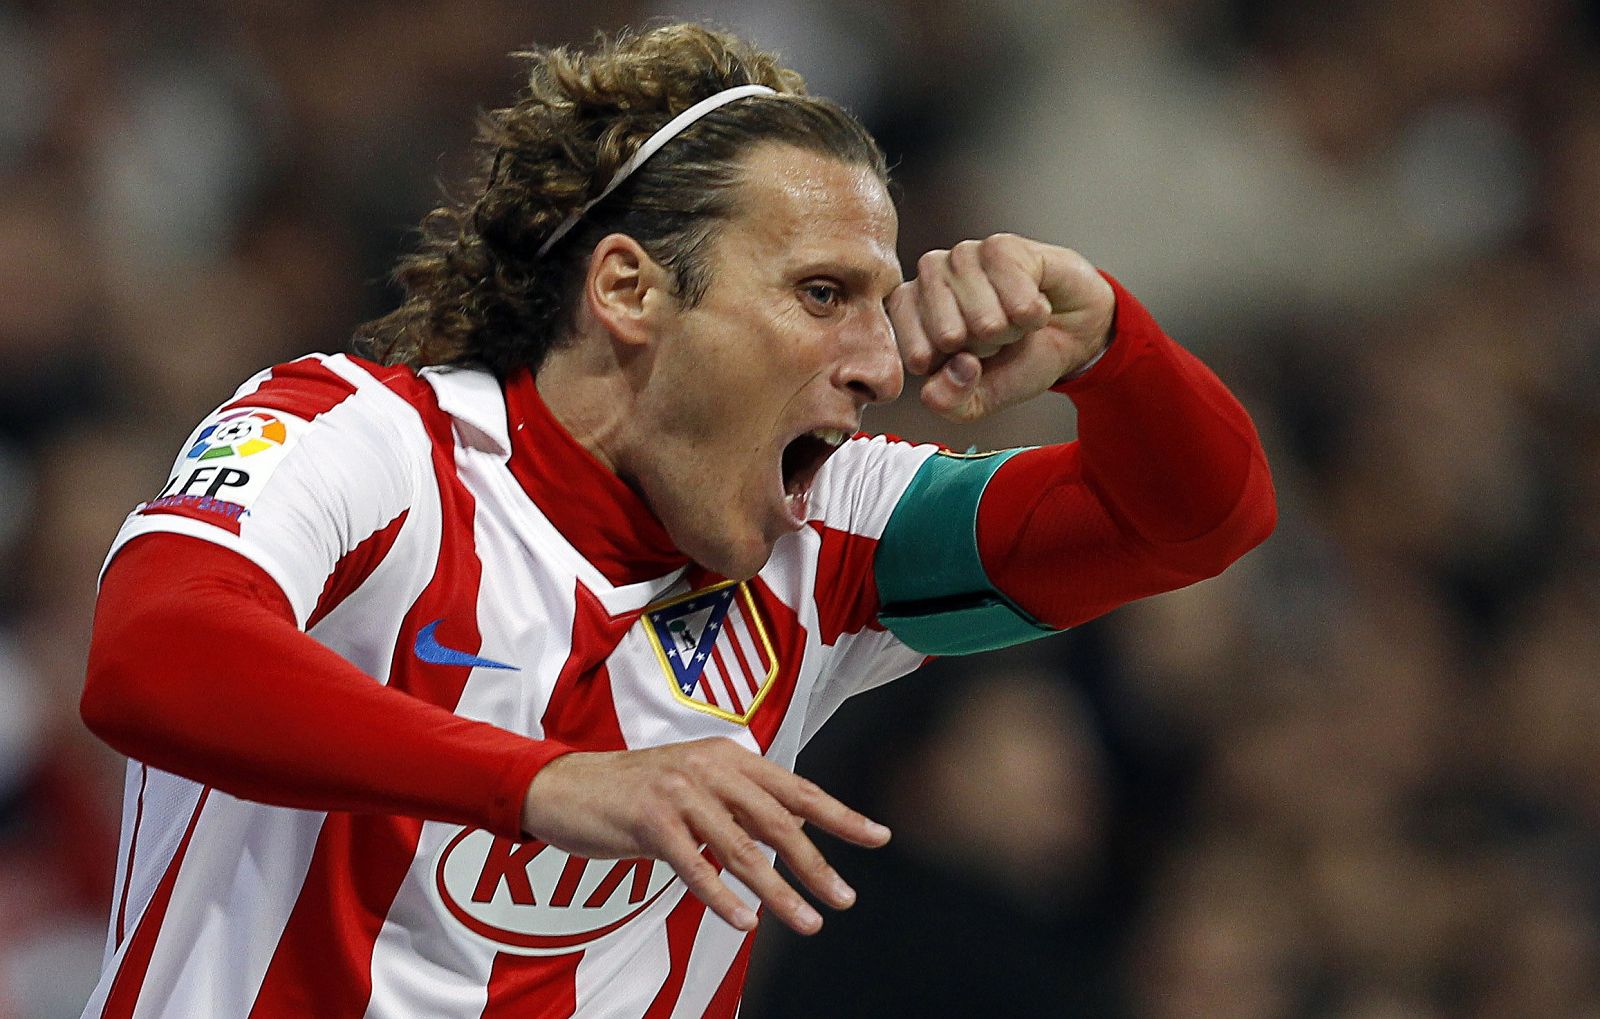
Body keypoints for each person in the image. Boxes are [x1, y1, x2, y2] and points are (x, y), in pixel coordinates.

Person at [76, 23, 1275, 1019]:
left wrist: (1113, 345)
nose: (879, 360)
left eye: (882, 302)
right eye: (822, 293)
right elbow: (150, 656)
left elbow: (1195, 520)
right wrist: (551, 782)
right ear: (628, 288)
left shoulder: (828, 532)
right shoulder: (360, 436)